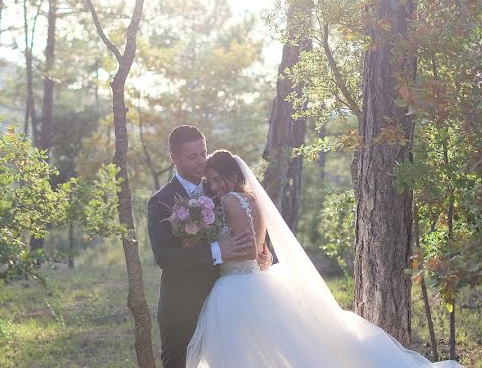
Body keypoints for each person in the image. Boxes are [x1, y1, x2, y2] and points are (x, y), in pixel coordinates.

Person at [187, 150, 463, 368]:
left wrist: (215, 247)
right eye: (210, 181)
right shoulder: (252, 199)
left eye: (217, 178)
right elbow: (259, 248)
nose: (213, 185)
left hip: (237, 286)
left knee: (241, 352)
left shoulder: (230, 201)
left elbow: (247, 250)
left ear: (233, 175)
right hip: (255, 280)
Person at [147, 126, 271, 368]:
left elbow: (249, 223)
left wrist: (263, 251)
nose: (201, 161)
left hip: (227, 304)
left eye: (203, 153)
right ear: (174, 158)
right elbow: (164, 257)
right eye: (192, 156)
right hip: (182, 307)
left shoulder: (218, 188)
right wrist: (218, 251)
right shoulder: (160, 201)